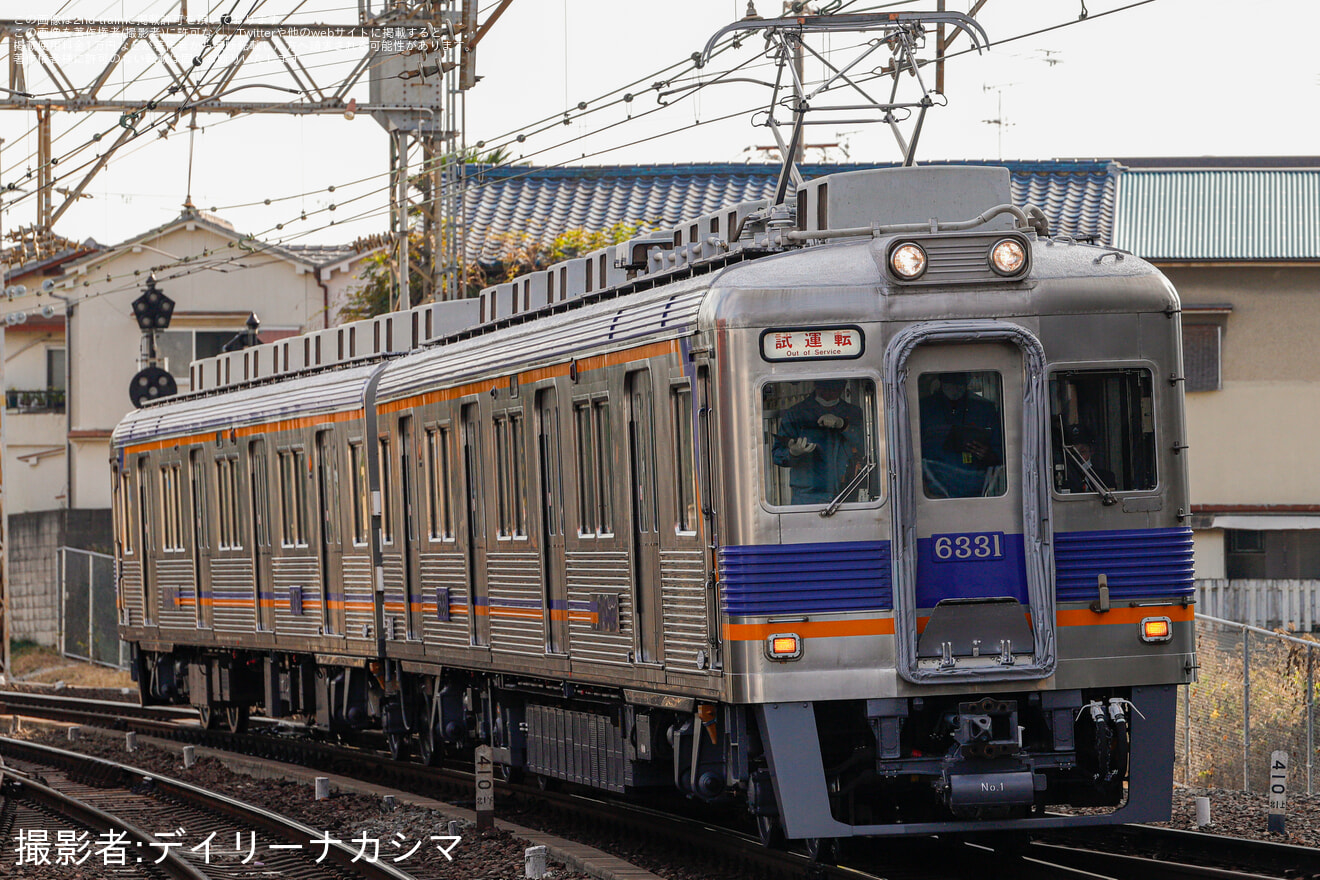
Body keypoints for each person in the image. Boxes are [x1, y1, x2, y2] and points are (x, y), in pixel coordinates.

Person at [771, 379, 865, 504]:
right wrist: (793, 453)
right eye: (825, 388)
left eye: (834, 389)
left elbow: (866, 446)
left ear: (843, 387)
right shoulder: (796, 414)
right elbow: (777, 455)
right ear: (815, 385)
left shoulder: (853, 413)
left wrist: (844, 425)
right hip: (807, 497)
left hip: (847, 493)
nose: (829, 393)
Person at [918, 372, 1004, 498]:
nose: (954, 384)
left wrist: (988, 455)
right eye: (950, 379)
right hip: (932, 489)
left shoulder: (985, 410)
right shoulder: (922, 409)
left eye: (960, 379)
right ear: (940, 378)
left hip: (979, 491)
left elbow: (1001, 455)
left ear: (968, 380)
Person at [1059, 423, 1116, 493]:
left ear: (1091, 450)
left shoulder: (1106, 478)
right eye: (1073, 453)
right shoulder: (1062, 480)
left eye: (1082, 452)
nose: (1078, 457)